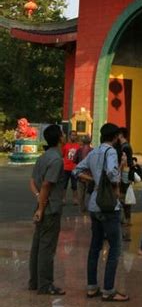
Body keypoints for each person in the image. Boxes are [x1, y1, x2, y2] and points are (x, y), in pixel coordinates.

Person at [73, 122, 129, 302]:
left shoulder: (94, 152)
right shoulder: (110, 151)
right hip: (108, 205)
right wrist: (120, 168)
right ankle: (109, 289)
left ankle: (91, 287)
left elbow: (76, 170)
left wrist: (94, 180)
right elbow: (113, 175)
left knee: (95, 246)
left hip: (94, 204)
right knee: (115, 247)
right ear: (114, 137)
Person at [28, 123, 66, 295]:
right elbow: (46, 185)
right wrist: (42, 208)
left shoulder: (43, 157)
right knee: (47, 247)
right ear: (59, 138)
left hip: (42, 205)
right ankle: (45, 284)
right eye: (63, 134)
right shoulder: (56, 159)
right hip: (50, 209)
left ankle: (34, 281)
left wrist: (38, 201)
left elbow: (32, 182)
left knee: (37, 245)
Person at [117, 127, 134, 239]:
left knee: (124, 197)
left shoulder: (126, 147)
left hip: (125, 174)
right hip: (124, 174)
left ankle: (127, 219)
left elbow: (128, 162)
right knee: (123, 196)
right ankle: (125, 218)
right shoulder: (124, 146)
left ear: (121, 135)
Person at [74, 135, 93, 213]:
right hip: (90, 175)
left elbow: (74, 160)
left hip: (80, 174)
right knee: (90, 193)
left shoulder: (79, 150)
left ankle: (81, 208)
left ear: (82, 142)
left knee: (81, 193)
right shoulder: (93, 150)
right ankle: (91, 207)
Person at [62, 129, 80, 205]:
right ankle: (63, 199)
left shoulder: (78, 146)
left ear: (76, 137)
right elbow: (62, 156)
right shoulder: (65, 146)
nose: (73, 136)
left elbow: (79, 158)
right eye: (72, 135)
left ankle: (75, 200)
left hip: (74, 169)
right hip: (66, 168)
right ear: (69, 136)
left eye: (75, 135)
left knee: (74, 185)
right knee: (64, 185)